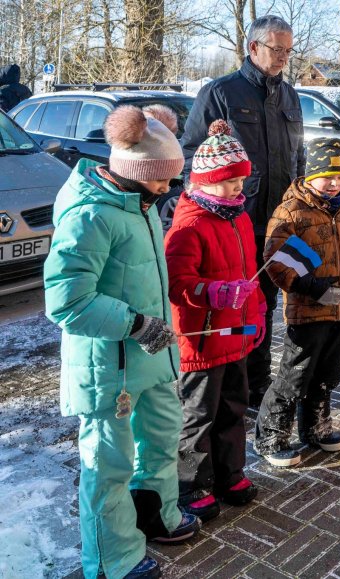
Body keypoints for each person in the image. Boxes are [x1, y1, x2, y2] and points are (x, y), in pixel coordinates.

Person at [44, 105, 200, 579]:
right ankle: (112, 559)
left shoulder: (143, 205)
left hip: (151, 357)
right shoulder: (91, 216)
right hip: (109, 368)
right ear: (135, 171)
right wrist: (134, 324)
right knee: (107, 464)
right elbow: (67, 301)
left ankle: (156, 512)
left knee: (161, 439)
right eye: (162, 180)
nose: (169, 190)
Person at [180, 15, 305, 409]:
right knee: (232, 306)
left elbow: (297, 155)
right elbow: (191, 158)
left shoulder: (290, 96)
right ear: (254, 48)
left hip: (278, 222)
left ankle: (256, 383)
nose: (284, 57)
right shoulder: (220, 93)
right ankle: (229, 384)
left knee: (265, 305)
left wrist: (298, 199)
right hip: (233, 224)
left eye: (288, 50)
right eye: (277, 49)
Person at [164, 120, 265, 523]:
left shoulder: (238, 216)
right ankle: (191, 484)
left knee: (233, 408)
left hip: (235, 335)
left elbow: (251, 271)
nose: (239, 188)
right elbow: (178, 283)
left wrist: (255, 313)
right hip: (203, 339)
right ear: (206, 181)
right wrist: (214, 292)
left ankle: (229, 473)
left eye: (241, 180)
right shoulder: (189, 225)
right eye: (230, 181)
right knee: (198, 414)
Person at [254, 138, 340, 467]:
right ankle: (271, 434)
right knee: (296, 374)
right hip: (307, 309)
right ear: (309, 176)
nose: (335, 183)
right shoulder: (291, 211)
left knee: (327, 373)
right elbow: (274, 260)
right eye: (327, 176)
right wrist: (309, 285)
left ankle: (315, 427)